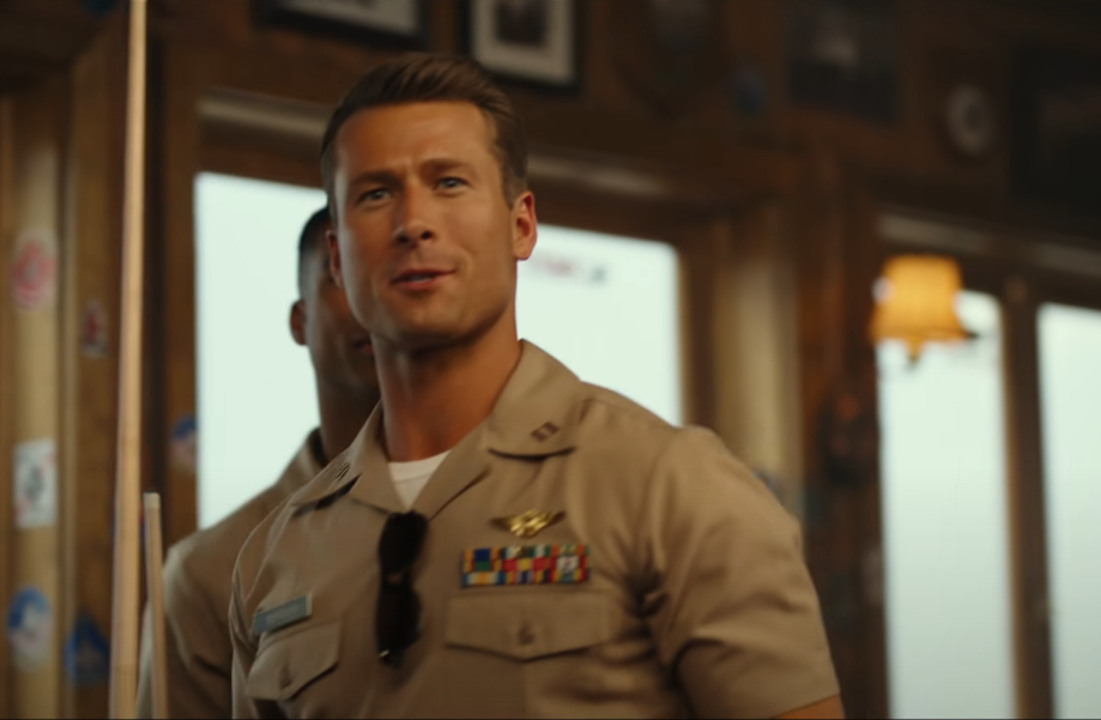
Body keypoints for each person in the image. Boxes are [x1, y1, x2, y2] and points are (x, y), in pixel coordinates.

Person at [229, 54, 844, 719]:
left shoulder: (669, 486)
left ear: (521, 226)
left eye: (449, 183)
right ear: (337, 257)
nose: (413, 222)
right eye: (375, 194)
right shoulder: (276, 557)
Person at [136, 207, 379, 718]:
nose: (371, 295)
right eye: (342, 274)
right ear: (300, 320)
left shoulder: (503, 503)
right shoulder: (210, 573)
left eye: (391, 272)